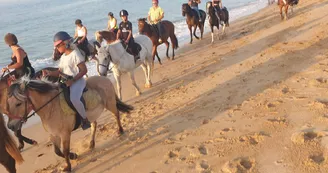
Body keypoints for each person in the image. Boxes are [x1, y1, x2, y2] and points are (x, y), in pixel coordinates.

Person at [43, 31, 91, 130]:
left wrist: (72, 81)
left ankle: (85, 119)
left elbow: (84, 70)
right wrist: (50, 73)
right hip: (65, 82)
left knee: (74, 99)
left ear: (65, 43)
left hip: (77, 81)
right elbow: (60, 71)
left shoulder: (75, 54)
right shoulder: (64, 57)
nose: (57, 48)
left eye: (58, 46)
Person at [2, 33, 37, 150]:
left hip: (25, 72)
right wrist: (8, 67)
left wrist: (8, 68)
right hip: (19, 72)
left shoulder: (18, 50)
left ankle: (26, 105)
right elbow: (15, 63)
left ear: (7, 42)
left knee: (19, 93)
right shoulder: (15, 49)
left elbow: (20, 64)